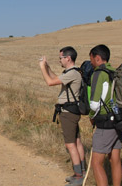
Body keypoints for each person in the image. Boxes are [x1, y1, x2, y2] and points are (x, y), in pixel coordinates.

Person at [39, 46, 86, 186]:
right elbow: (55, 78)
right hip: (72, 111)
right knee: (77, 142)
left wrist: (42, 67)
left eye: (61, 58)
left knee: (70, 144)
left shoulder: (73, 73)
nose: (60, 60)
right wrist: (47, 67)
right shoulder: (74, 72)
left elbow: (50, 82)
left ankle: (78, 177)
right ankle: (81, 173)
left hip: (68, 113)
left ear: (68, 58)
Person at [88, 44, 122, 186]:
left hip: (105, 124)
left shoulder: (98, 74)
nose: (90, 63)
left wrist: (91, 116)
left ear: (97, 58)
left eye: (91, 59)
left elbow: (94, 104)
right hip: (118, 122)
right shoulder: (115, 72)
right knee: (115, 159)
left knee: (96, 163)